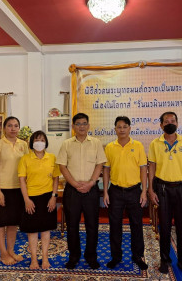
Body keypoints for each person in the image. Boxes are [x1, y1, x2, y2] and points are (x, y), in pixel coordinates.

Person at [148, 111, 182, 276]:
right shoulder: (155, 143)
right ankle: (164, 259)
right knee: (165, 226)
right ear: (161, 125)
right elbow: (152, 168)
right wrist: (150, 189)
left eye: (173, 120)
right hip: (162, 188)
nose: (170, 123)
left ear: (177, 123)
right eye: (166, 121)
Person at [56, 113, 107, 269]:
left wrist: (91, 183)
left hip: (91, 190)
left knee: (92, 225)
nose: (82, 126)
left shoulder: (96, 143)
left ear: (89, 126)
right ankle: (74, 256)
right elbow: (62, 166)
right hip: (72, 190)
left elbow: (100, 164)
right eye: (78, 124)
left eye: (84, 123)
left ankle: (91, 256)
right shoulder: (66, 144)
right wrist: (75, 184)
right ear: (73, 127)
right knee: (72, 226)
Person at [103, 116, 148, 270]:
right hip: (115, 191)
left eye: (124, 127)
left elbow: (143, 168)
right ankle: (116, 256)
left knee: (137, 225)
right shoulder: (109, 147)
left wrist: (144, 191)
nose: (121, 129)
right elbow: (106, 170)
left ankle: (137, 256)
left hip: (134, 191)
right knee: (115, 226)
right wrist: (105, 192)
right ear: (115, 129)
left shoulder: (138, 145)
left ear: (130, 128)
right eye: (119, 127)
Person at [18, 130, 61, 270]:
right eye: (37, 140)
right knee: (32, 230)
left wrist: (54, 197)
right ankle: (34, 260)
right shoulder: (25, 159)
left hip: (48, 198)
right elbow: (22, 181)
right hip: (31, 198)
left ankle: (45, 258)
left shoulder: (52, 158)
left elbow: (56, 179)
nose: (40, 143)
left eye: (42, 140)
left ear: (46, 142)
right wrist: (26, 199)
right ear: (32, 142)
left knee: (46, 230)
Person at [0, 116, 29, 265]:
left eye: (16, 126)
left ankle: (11, 250)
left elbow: (26, 167)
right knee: (0, 223)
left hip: (18, 189)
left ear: (19, 128)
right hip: (3, 189)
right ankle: (3, 253)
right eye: (10, 126)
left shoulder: (24, 145)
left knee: (13, 222)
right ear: (4, 128)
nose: (13, 128)